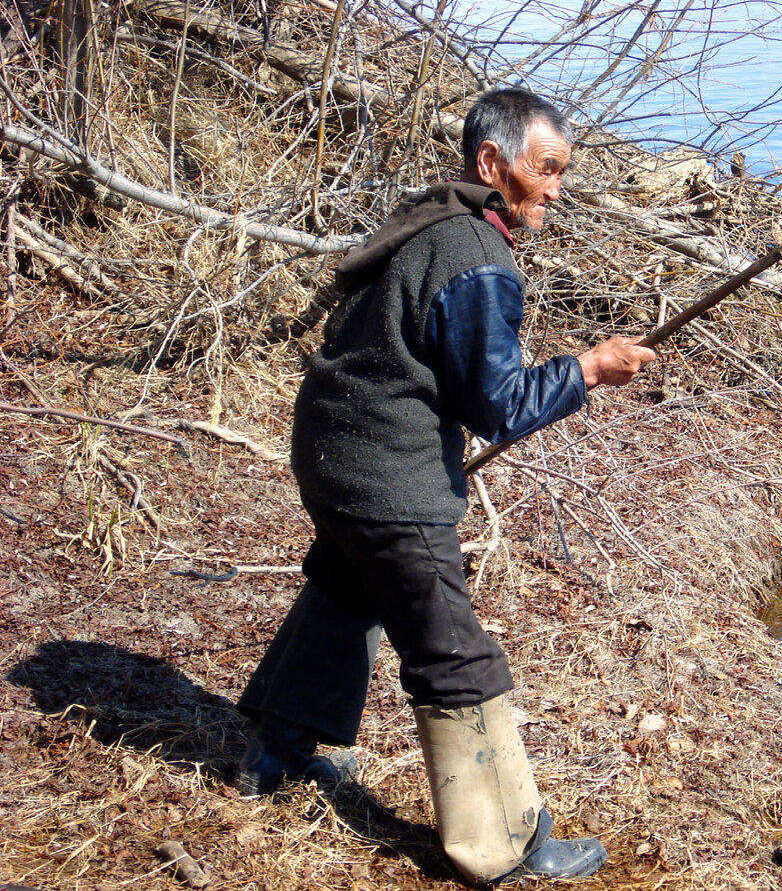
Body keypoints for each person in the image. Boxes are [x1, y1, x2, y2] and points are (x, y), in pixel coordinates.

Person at [233, 87, 656, 885]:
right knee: (453, 651)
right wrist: (591, 369)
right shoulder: (478, 259)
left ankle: (273, 757)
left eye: (563, 171)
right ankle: (501, 846)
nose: (557, 188)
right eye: (548, 169)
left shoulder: (427, 222)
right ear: (493, 163)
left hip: (329, 455)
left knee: (346, 587)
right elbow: (499, 407)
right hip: (386, 476)